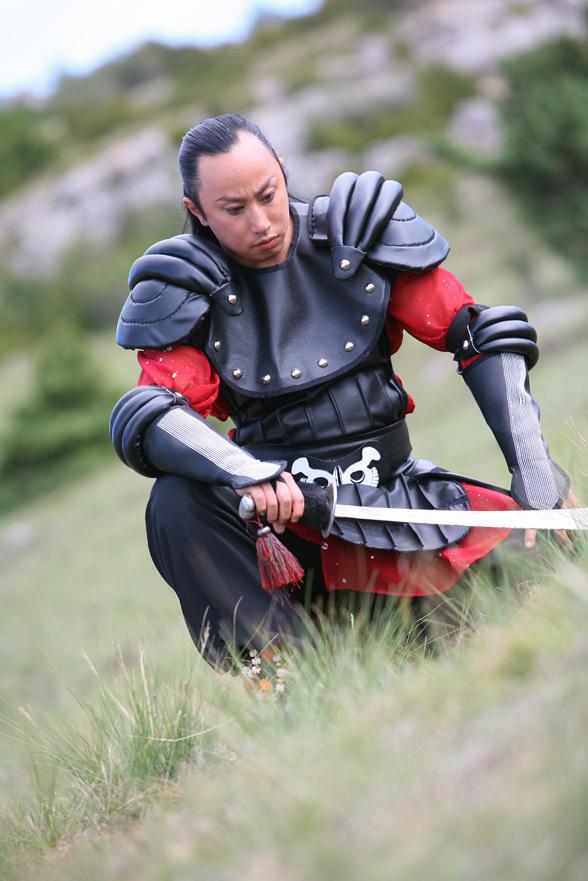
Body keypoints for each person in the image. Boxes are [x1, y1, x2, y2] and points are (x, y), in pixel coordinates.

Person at [110, 113, 575, 674]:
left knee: (551, 574)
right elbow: (153, 413)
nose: (260, 222)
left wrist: (538, 477)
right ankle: (286, 676)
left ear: (283, 172)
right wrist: (249, 475)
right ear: (198, 211)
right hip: (285, 541)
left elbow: (480, 335)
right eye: (233, 209)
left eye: (268, 195)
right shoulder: (185, 289)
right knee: (176, 501)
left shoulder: (357, 235)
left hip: (402, 508)